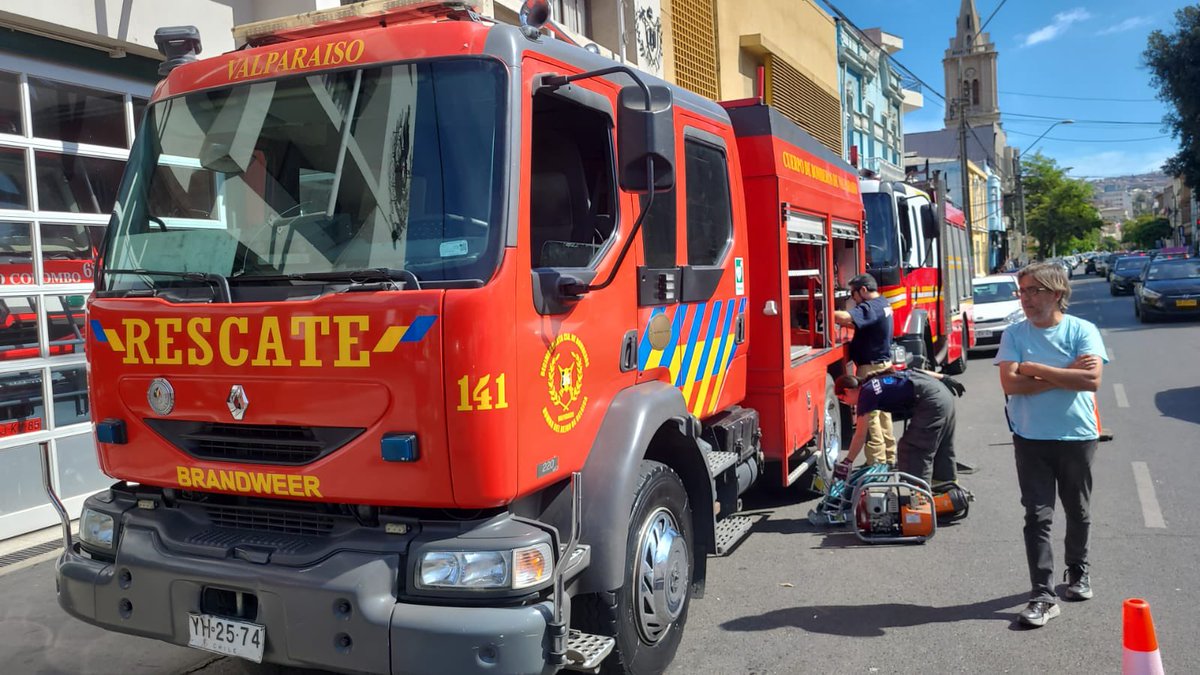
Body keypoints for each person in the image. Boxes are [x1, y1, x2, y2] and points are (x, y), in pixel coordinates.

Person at [995, 262, 1107, 628]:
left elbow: (1090, 380)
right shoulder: (1014, 334)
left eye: (1034, 291)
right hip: (1030, 438)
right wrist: (1063, 373)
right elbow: (1010, 386)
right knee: (1037, 516)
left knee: (1078, 510)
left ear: (1056, 294)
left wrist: (1033, 368)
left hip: (1077, 436)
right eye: (1023, 291)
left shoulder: (1082, 330)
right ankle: (1043, 595)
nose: (1026, 298)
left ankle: (1077, 571)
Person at [832, 368, 965, 488]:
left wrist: (848, 461)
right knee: (942, 446)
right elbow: (913, 371)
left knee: (911, 449)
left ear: (847, 391)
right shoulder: (877, 379)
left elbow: (860, 435)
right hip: (942, 394)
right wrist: (943, 377)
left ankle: (916, 498)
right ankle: (947, 488)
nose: (846, 403)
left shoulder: (866, 394)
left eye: (842, 400)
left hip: (932, 402)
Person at [833, 274, 897, 467]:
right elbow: (858, 323)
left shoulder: (872, 306)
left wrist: (825, 311)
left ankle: (876, 461)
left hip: (871, 368)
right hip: (883, 365)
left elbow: (846, 317)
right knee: (884, 414)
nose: (853, 300)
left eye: (853, 295)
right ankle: (889, 457)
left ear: (863, 290)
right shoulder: (883, 303)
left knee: (870, 417)